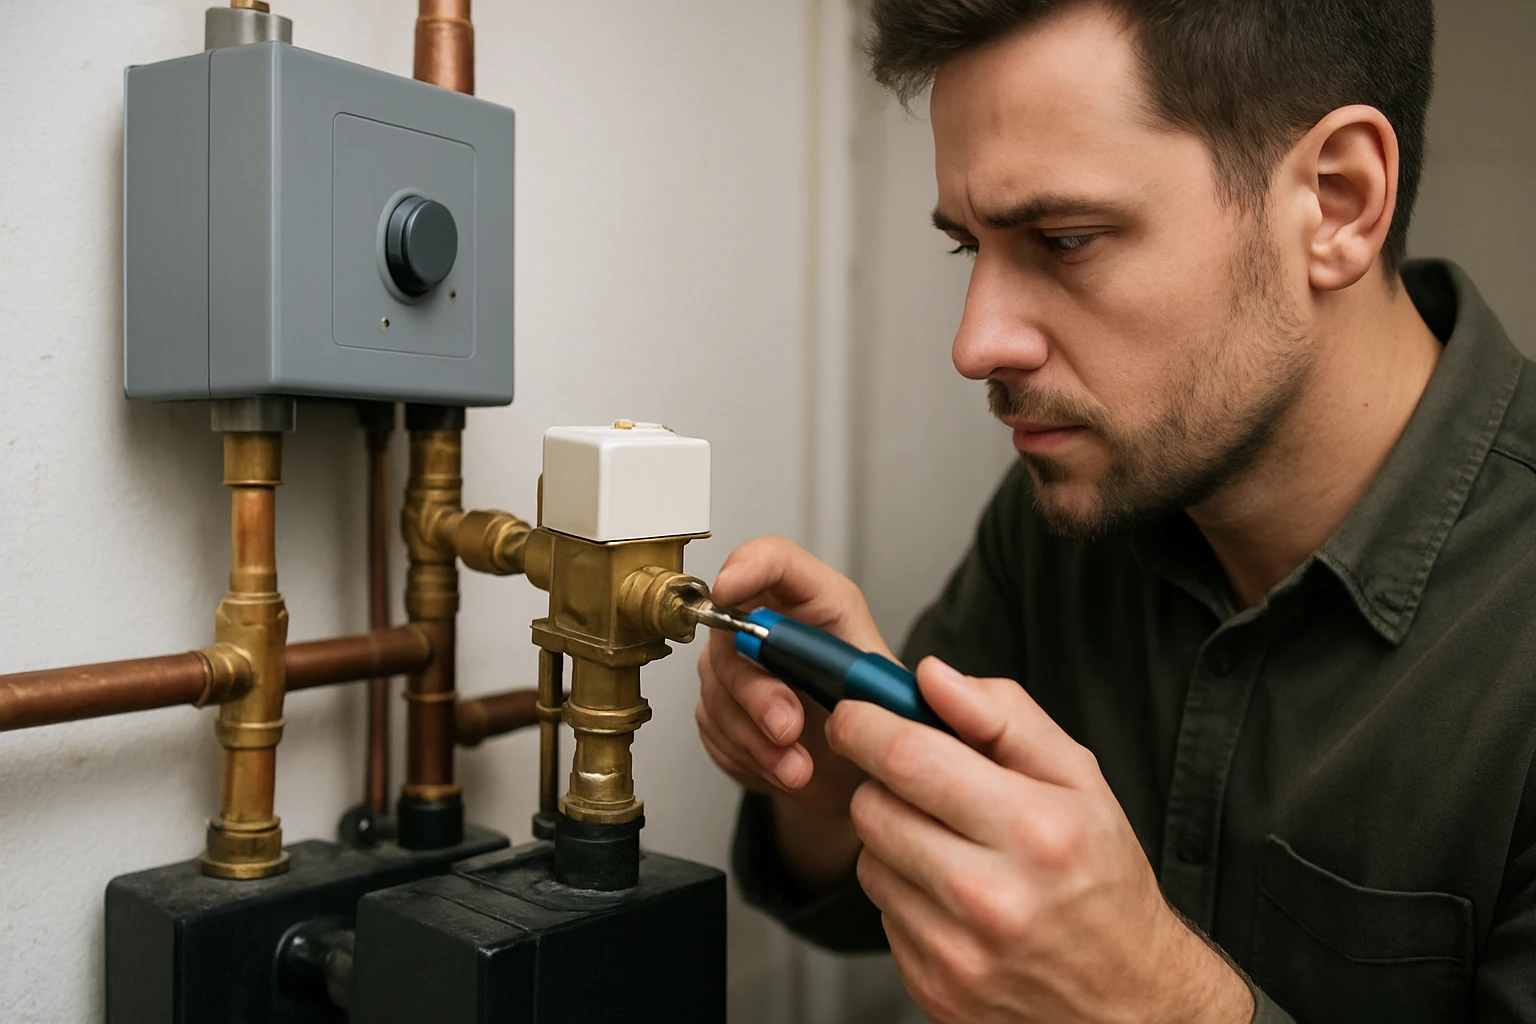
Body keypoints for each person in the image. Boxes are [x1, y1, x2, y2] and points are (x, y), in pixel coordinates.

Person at [694, 1, 1536, 1021]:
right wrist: (837, 772)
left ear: (1338, 201)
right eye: (969, 248)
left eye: (1064, 237)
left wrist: (1161, 1003)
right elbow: (874, 908)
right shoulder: (1081, 495)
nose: (976, 343)